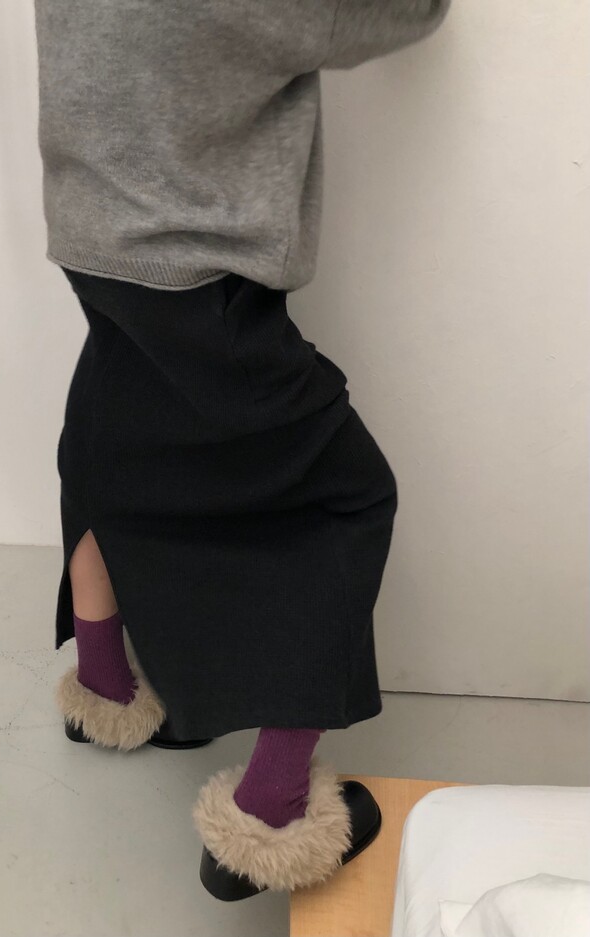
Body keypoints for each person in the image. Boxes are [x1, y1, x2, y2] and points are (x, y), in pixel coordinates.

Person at [33, 0, 451, 900]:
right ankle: (273, 813)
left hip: (92, 238)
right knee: (346, 498)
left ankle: (105, 686)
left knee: (109, 450)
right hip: (199, 271)